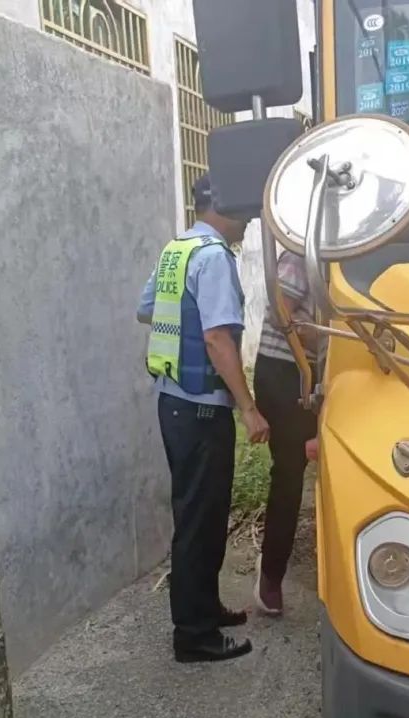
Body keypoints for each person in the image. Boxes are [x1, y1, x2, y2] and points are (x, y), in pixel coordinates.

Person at [138, 173, 270, 663]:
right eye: (247, 209)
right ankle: (194, 635)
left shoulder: (179, 250)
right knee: (199, 519)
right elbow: (218, 339)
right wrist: (249, 408)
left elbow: (145, 308)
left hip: (174, 401)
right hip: (200, 407)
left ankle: (205, 606)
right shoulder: (213, 258)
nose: (250, 220)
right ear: (224, 205)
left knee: (204, 515)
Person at [253, 248, 322, 615]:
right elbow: (280, 307)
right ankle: (270, 579)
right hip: (284, 370)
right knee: (290, 473)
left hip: (316, 371)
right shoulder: (302, 252)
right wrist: (326, 339)